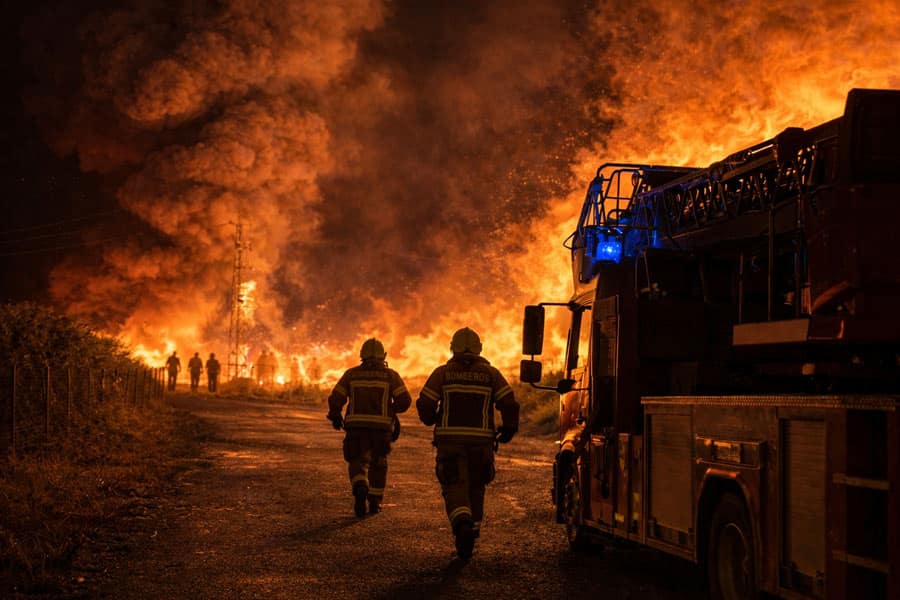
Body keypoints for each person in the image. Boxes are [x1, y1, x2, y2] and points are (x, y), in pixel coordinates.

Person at [416, 327, 519, 560]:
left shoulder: (442, 373)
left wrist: (430, 418)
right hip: (481, 443)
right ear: (479, 348)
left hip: (450, 442)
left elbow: (425, 402)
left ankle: (462, 523)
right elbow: (509, 403)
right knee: (476, 486)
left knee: (454, 485)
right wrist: (509, 428)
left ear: (452, 348)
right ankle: (472, 531)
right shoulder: (492, 374)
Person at [327, 338, 412, 517]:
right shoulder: (391, 376)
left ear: (362, 356)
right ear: (384, 356)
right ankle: (374, 503)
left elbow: (336, 397)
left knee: (357, 460)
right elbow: (405, 401)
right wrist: (390, 410)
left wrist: (335, 414)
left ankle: (360, 485)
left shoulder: (351, 374)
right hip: (381, 430)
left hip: (356, 427)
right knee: (378, 464)